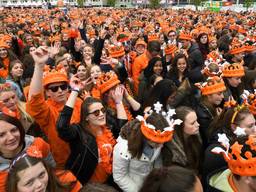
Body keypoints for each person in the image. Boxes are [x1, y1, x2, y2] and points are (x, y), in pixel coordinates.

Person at [57, 75, 127, 185]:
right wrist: (75, 91)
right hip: (87, 186)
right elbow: (62, 127)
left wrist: (119, 102)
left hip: (109, 183)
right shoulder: (79, 133)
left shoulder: (108, 127)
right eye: (96, 112)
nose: (101, 114)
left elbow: (124, 128)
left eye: (102, 110)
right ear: (86, 117)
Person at [26, 46, 82, 168]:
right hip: (65, 163)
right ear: (47, 92)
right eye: (54, 88)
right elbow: (34, 101)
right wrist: (39, 65)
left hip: (84, 155)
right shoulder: (47, 110)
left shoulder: (77, 101)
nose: (60, 91)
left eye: (63, 86)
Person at [113, 107, 178, 192]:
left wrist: (158, 181)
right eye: (157, 142)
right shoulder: (123, 148)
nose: (161, 146)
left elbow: (157, 161)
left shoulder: (158, 143)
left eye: (163, 142)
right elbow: (119, 176)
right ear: (146, 135)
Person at [0, 113, 55, 191]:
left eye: (14, 130)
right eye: (1, 135)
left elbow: (53, 171)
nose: (11, 137)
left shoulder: (38, 144)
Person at [6, 146, 82, 192]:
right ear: (15, 188)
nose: (39, 184)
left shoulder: (67, 182)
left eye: (42, 175)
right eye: (29, 183)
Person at [162, 106, 202, 173]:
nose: (198, 124)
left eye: (196, 120)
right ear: (180, 126)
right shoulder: (170, 151)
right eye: (192, 123)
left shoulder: (195, 137)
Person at [195, 76, 226, 148]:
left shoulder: (213, 105)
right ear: (208, 95)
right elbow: (210, 137)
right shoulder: (202, 114)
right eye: (219, 94)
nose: (222, 97)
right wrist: (219, 118)